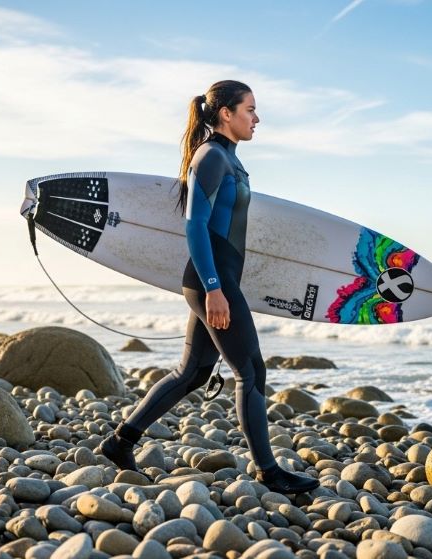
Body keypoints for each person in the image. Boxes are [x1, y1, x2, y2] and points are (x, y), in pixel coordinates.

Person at [100, 80, 320, 494]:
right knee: (251, 371)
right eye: (250, 110)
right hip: (210, 281)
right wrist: (215, 288)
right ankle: (269, 472)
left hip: (216, 279)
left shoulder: (229, 159)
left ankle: (119, 442)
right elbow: (195, 225)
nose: (256, 118)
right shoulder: (211, 156)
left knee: (194, 372)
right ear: (226, 114)